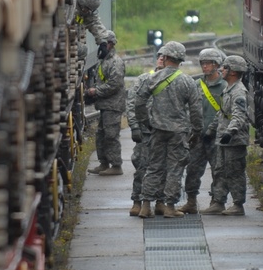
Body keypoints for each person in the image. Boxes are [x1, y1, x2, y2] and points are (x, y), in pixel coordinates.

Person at [134, 41, 201, 218]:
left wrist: (145, 121)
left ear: (165, 57)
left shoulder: (152, 78)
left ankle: (146, 206)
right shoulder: (187, 81)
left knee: (153, 167)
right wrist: (197, 130)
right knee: (175, 168)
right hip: (178, 132)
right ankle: (170, 207)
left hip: (156, 129)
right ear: (180, 59)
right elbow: (195, 109)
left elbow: (139, 101)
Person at [179, 48, 227, 213]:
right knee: (192, 169)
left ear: (216, 65)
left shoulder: (225, 86)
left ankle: (218, 202)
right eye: (203, 63)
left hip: (216, 136)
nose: (204, 67)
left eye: (208, 63)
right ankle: (191, 201)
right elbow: (186, 108)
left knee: (219, 170)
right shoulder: (196, 85)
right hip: (198, 136)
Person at [202, 55, 251, 216]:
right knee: (220, 170)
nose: (221, 70)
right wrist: (211, 130)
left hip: (234, 140)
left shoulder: (238, 92)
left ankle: (238, 204)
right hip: (223, 138)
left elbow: (239, 116)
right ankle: (218, 202)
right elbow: (221, 113)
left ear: (233, 72)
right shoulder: (228, 89)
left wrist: (230, 132)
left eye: (224, 68)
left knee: (234, 171)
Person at [126, 55, 165, 215]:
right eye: (160, 57)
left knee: (164, 168)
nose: (162, 60)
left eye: (165, 57)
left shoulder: (176, 80)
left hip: (164, 132)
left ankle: (161, 201)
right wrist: (134, 126)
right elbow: (131, 103)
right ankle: (137, 201)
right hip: (145, 132)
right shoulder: (144, 79)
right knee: (142, 166)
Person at [86, 30, 126, 176]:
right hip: (105, 105)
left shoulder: (116, 62)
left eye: (102, 44)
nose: (100, 47)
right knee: (101, 135)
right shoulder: (103, 62)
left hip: (113, 106)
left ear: (110, 44)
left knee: (111, 135)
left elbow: (114, 84)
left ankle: (116, 165)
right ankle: (104, 163)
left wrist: (95, 91)